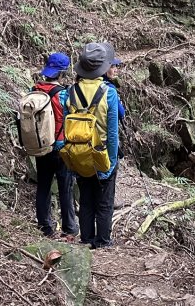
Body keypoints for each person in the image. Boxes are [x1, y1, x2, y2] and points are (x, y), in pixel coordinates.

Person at [66, 42, 121, 249]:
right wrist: (112, 161)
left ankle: (87, 238)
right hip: (102, 153)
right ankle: (103, 241)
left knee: (86, 198)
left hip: (79, 152)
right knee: (105, 201)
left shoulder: (71, 91)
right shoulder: (109, 92)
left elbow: (66, 125)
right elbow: (112, 131)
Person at [33, 52, 78, 239]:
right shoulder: (63, 94)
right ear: (62, 73)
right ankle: (69, 227)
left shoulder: (35, 90)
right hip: (60, 147)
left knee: (43, 186)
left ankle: (45, 226)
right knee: (65, 187)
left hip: (41, 146)